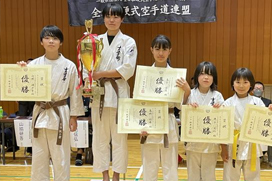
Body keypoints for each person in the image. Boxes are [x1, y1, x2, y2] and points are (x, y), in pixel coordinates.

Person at [17, 25, 85, 181]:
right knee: (39, 157)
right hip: (40, 111)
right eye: (47, 38)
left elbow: (75, 92)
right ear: (41, 42)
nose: (51, 41)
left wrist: (74, 116)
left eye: (55, 38)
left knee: (61, 156)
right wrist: (20, 71)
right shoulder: (33, 65)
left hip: (60, 111)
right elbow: (22, 89)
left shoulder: (69, 66)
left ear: (61, 42)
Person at [83, 3, 137, 181]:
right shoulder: (95, 40)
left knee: (120, 139)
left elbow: (127, 70)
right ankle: (104, 175)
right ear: (103, 18)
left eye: (115, 16)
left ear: (122, 19)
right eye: (108, 16)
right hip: (99, 95)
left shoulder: (128, 42)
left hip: (119, 93)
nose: (111, 20)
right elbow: (87, 68)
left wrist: (100, 74)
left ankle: (116, 175)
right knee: (99, 138)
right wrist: (88, 82)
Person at [139, 35, 190, 181]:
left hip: (169, 122)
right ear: (151, 50)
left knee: (170, 168)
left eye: (164, 49)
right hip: (148, 123)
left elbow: (182, 105)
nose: (160, 53)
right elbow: (139, 103)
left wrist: (187, 91)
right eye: (157, 49)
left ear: (170, 51)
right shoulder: (144, 74)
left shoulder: (177, 76)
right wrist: (139, 126)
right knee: (149, 167)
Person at [221, 68, 272, 181]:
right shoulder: (227, 103)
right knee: (230, 177)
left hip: (251, 144)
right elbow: (223, 128)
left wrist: (269, 111)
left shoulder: (257, 102)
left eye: (245, 82)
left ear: (251, 85)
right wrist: (223, 148)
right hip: (232, 145)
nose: (241, 85)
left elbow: (265, 121)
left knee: (253, 177)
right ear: (232, 84)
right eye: (238, 82)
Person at [185, 61, 224, 181]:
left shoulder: (217, 96)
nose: (206, 77)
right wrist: (189, 108)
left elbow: (223, 120)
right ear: (197, 76)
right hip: (193, 144)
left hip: (211, 145)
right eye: (202, 74)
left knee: (209, 176)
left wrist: (220, 110)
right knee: (193, 176)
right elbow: (183, 114)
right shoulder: (190, 94)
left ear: (214, 78)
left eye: (210, 74)